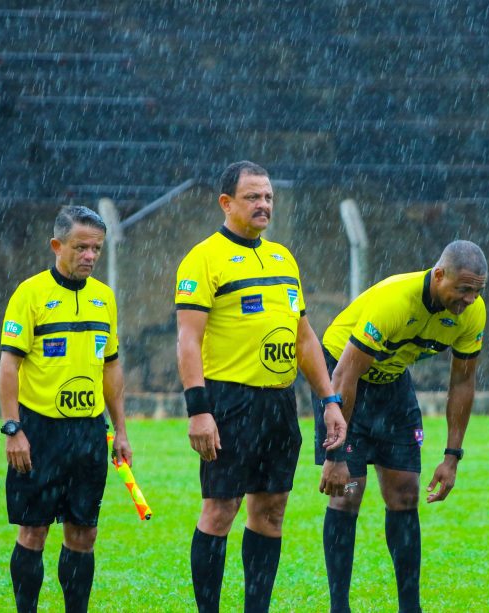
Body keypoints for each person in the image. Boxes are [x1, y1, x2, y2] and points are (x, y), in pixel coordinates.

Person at [175, 160, 347, 612]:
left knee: (271, 511)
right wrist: (199, 409)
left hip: (279, 403)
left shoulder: (282, 258)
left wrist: (329, 399)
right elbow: (188, 339)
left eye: (268, 197)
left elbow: (304, 336)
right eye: (253, 197)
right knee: (220, 511)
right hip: (229, 401)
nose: (263, 205)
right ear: (226, 203)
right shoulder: (203, 258)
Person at [315, 240, 487, 613]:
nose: (469, 299)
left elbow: (462, 382)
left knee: (406, 494)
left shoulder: (471, 314)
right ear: (439, 275)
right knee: (346, 492)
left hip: (392, 381)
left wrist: (452, 456)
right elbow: (346, 373)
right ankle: (338, 607)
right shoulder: (394, 300)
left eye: (477, 291)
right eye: (463, 289)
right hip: (345, 378)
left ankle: (411, 608)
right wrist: (337, 452)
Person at [0, 205, 132, 613]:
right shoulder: (30, 294)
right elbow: (9, 365)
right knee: (33, 531)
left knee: (83, 534)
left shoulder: (104, 299)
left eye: (96, 248)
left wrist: (121, 430)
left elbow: (111, 367)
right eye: (80, 247)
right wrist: (13, 428)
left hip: (89, 432)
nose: (90, 256)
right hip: (39, 432)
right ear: (57, 245)